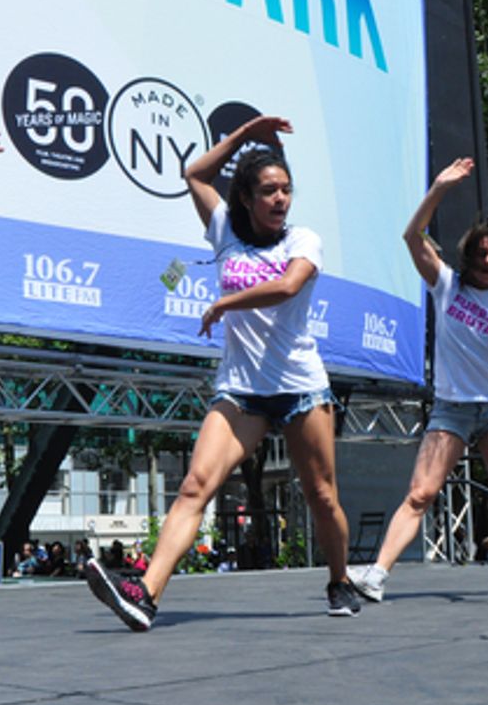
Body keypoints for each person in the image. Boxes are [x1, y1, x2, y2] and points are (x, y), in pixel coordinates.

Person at [85, 115, 358, 631]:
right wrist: (247, 133)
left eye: (286, 190)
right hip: (241, 391)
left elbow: (288, 287)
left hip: (301, 387)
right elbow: (195, 176)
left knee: (323, 496)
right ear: (247, 199)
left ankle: (339, 579)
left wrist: (225, 302)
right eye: (269, 191)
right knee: (195, 487)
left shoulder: (304, 240)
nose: (281, 200)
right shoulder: (224, 230)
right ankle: (145, 595)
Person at [349, 157, 488, 602]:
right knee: (421, 493)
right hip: (451, 409)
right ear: (469, 255)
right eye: (481, 253)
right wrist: (439, 188)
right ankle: (377, 575)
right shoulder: (447, 286)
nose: (487, 260)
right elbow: (411, 237)